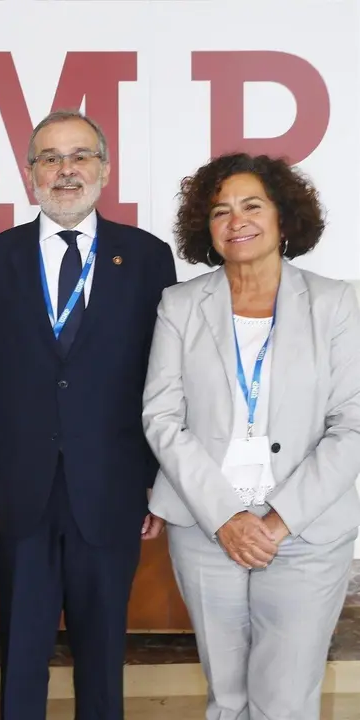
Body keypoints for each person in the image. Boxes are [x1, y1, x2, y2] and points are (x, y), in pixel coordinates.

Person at [0, 109, 177, 720]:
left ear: (105, 168)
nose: (66, 170)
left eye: (80, 155)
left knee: (102, 656)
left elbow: (165, 380)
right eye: (50, 158)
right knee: (21, 651)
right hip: (15, 491)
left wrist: (159, 480)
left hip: (112, 488)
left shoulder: (148, 258)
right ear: (30, 174)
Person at [142, 152, 360, 719]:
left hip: (305, 530)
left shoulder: (336, 303)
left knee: (283, 699)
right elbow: (162, 418)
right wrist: (226, 517)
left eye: (252, 206)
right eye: (220, 211)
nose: (236, 220)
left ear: (284, 217)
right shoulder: (180, 305)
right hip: (207, 526)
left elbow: (352, 425)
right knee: (228, 695)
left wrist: (278, 521)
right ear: (206, 228)